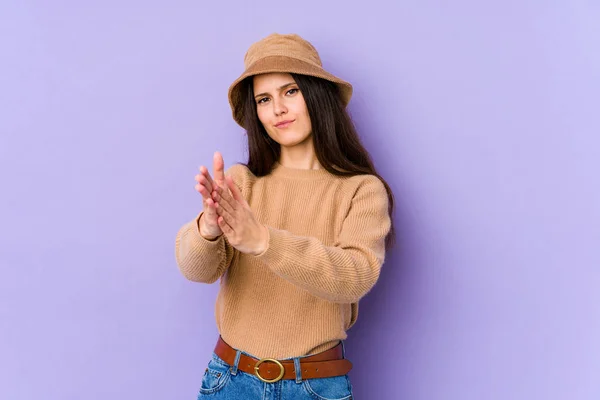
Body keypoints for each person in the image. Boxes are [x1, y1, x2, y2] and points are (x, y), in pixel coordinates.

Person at [175, 32, 395, 399]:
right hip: (230, 380)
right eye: (264, 99)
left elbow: (356, 276)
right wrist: (209, 229)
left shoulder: (361, 190)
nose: (277, 109)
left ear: (317, 96)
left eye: (290, 91)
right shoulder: (240, 183)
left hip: (315, 385)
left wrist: (263, 241)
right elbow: (196, 270)